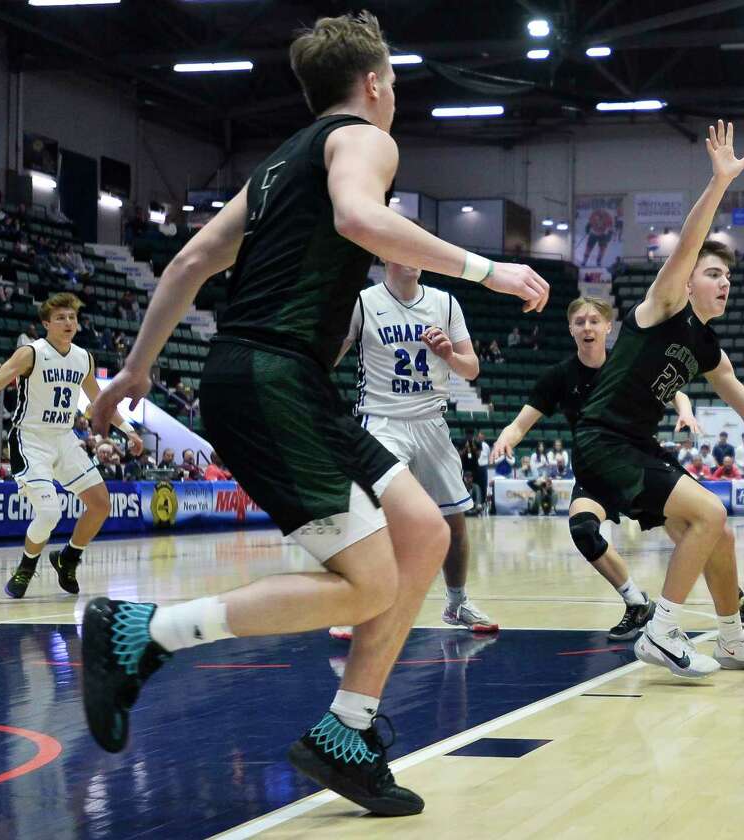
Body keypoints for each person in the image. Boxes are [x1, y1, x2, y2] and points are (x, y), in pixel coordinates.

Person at [83, 11, 548, 819]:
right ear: (373, 84)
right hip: (271, 378)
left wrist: (136, 366)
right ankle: (145, 629)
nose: (394, 95)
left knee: (425, 534)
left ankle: (347, 730)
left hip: (278, 378)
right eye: (394, 82)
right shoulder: (365, 140)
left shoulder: (275, 166)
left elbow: (193, 260)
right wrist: (488, 269)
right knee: (369, 585)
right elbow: (360, 221)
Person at [572, 120, 744, 678]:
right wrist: (718, 183)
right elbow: (691, 242)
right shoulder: (665, 304)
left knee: (719, 529)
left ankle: (733, 640)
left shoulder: (707, 345)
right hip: (603, 441)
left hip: (636, 445)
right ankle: (662, 632)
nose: (724, 283)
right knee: (710, 512)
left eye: (728, 278)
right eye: (713, 274)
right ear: (687, 280)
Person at [492, 295, 744, 640]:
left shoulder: (626, 358)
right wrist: (506, 438)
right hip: (597, 469)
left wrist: (684, 410)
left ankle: (737, 600)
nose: (587, 327)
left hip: (636, 457)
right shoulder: (558, 376)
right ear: (570, 329)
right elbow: (521, 424)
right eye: (579, 322)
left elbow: (674, 389)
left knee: (694, 530)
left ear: (608, 327)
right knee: (583, 530)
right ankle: (636, 602)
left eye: (594, 321)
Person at [333, 258, 497, 636]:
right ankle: (362, 605)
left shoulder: (445, 303)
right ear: (385, 255)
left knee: (455, 523)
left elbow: (471, 369)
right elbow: (329, 357)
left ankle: (457, 603)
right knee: (380, 515)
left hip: (432, 423)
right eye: (405, 248)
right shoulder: (362, 303)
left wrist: (449, 356)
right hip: (382, 420)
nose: (415, 257)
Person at [0, 292, 143, 599]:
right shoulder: (31, 353)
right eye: (61, 317)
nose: (68, 322)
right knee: (50, 513)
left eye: (72, 318)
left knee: (102, 504)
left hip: (64, 438)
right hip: (30, 439)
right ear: (46, 323)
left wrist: (129, 431)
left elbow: (99, 403)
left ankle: (68, 559)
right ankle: (26, 567)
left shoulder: (83, 358)